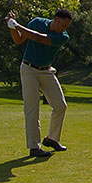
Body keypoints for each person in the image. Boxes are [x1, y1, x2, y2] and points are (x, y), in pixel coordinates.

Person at [7, 9, 73, 158]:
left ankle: (51, 139)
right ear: (55, 19)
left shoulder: (62, 37)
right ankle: (34, 147)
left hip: (46, 71)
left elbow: (39, 38)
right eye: (62, 25)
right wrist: (11, 26)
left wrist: (16, 25)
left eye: (66, 27)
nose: (64, 29)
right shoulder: (37, 22)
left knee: (60, 105)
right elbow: (19, 40)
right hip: (28, 69)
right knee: (32, 108)